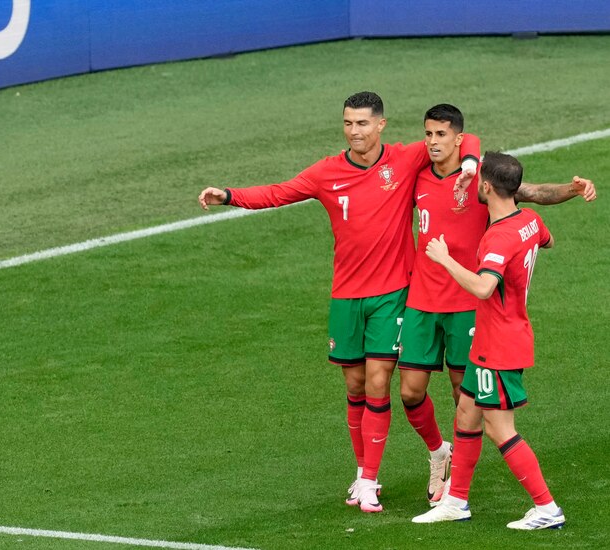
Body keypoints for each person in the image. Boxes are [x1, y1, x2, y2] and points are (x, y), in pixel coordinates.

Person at [198, 91, 479, 513]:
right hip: (346, 294)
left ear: (381, 125)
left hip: (392, 293)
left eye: (363, 124)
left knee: (380, 381)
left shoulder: (405, 159)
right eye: (348, 123)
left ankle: (369, 480)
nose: (354, 131)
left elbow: (463, 137)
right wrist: (229, 195)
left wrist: (473, 163)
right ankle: (432, 453)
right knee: (354, 385)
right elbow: (280, 192)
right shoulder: (326, 172)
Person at [399, 104, 596, 505]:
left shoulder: (485, 189)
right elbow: (542, 232)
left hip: (477, 311)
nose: (433, 142)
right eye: (429, 135)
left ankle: (541, 505)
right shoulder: (419, 178)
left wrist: (570, 191)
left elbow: (533, 193)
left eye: (442, 135)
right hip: (425, 301)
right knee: (416, 393)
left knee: (477, 410)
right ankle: (448, 476)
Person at [411, 152, 565, 529]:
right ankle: (456, 501)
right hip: (491, 339)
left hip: (500, 343)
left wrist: (444, 259)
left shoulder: (498, 236)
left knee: (499, 429)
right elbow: (548, 241)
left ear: (487, 187)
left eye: (478, 178)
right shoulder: (529, 220)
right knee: (466, 413)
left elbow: (483, 287)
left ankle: (546, 507)